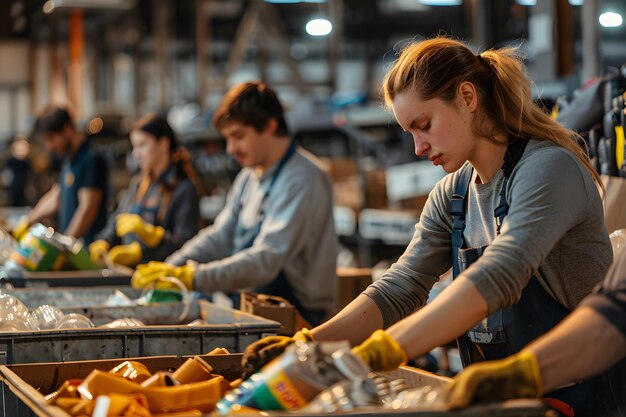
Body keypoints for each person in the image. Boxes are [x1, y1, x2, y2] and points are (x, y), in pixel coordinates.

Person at [241, 37, 614, 415]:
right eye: (411, 133)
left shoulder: (547, 169)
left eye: (425, 125)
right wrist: (308, 347)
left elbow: (502, 271)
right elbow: (400, 287)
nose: (418, 147)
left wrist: (384, 349)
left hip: (583, 396)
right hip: (496, 398)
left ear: (468, 97)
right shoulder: (453, 193)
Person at [131, 81, 339, 326]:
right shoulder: (249, 176)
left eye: (238, 136)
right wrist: (171, 268)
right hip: (254, 306)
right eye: (227, 138)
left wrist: (193, 277)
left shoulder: (302, 178)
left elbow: (266, 260)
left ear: (270, 126)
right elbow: (220, 236)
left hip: (298, 315)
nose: (230, 149)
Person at [446, 231, 626, 415]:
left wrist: (523, 374)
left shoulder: (553, 202)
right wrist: (523, 374)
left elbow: (497, 276)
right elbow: (614, 309)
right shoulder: (449, 202)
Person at [88, 113, 200, 267]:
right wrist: (103, 242)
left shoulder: (184, 189)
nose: (136, 154)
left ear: (163, 144)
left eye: (142, 145)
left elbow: (185, 245)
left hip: (159, 277)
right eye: (134, 147)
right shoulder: (138, 184)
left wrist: (143, 249)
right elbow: (116, 221)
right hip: (129, 275)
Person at [12, 106, 109, 244]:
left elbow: (87, 210)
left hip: (87, 250)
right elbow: (56, 196)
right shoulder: (69, 159)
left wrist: (65, 245)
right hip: (73, 246)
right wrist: (28, 220)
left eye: (51, 138)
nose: (49, 146)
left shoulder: (91, 159)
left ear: (67, 129)